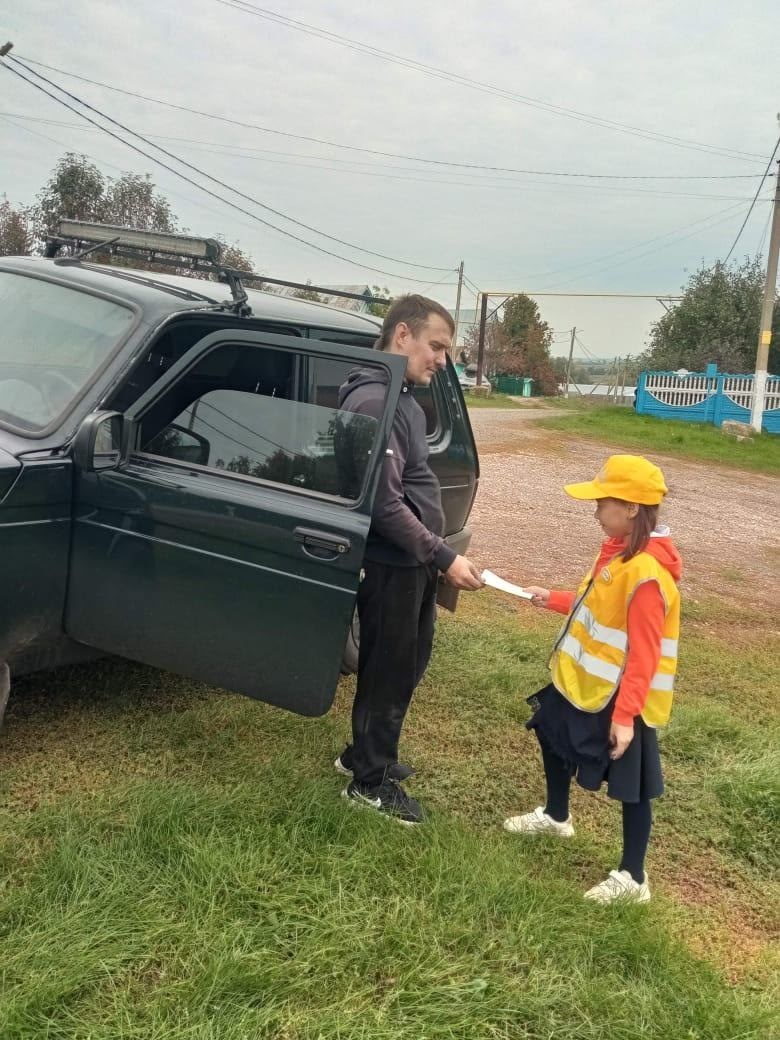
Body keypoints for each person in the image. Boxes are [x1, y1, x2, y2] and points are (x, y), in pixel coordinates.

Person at [503, 455, 682, 904]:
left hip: (619, 699)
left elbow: (644, 654)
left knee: (632, 786)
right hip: (580, 684)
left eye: (603, 502)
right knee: (550, 733)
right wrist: (552, 598)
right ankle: (556, 816)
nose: (596, 510)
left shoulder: (646, 574)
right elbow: (596, 605)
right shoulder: (620, 553)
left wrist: (624, 717)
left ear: (632, 508)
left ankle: (633, 877)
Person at [335, 294, 484, 825]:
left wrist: (435, 557)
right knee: (389, 669)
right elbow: (383, 504)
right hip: (393, 563)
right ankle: (368, 783)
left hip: (414, 562)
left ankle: (364, 752)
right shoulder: (374, 403)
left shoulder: (402, 399)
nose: (442, 360)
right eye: (436, 346)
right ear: (403, 335)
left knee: (407, 661)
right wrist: (444, 557)